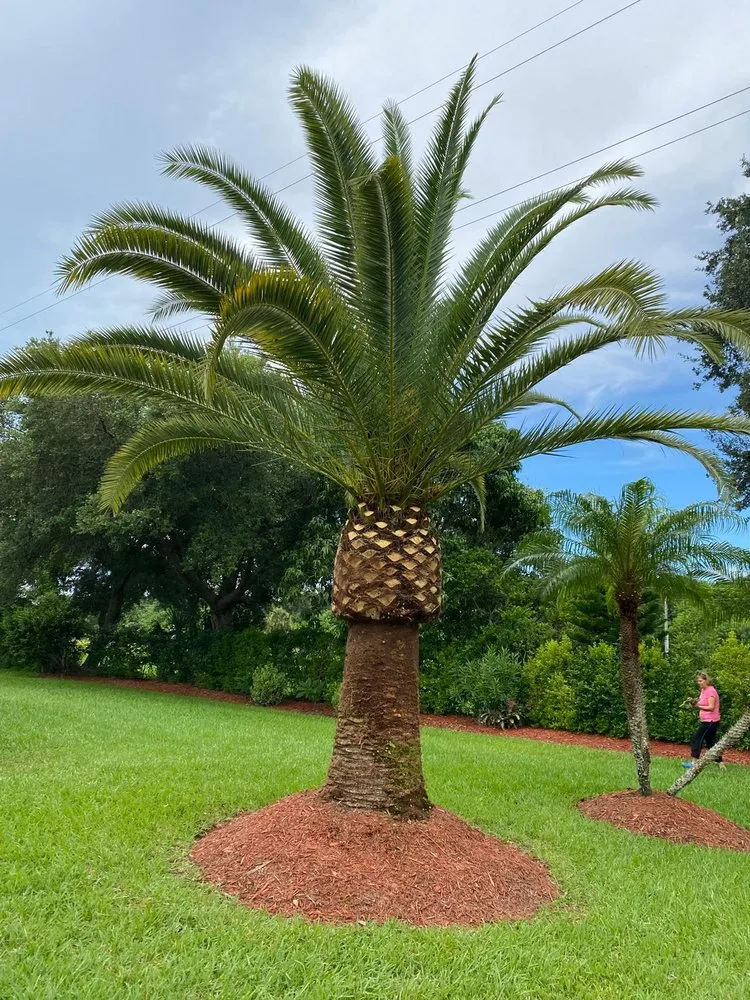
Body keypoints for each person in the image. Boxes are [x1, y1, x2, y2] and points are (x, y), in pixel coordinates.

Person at [681, 672, 726, 769]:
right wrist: (693, 701)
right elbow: (702, 702)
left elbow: (711, 707)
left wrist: (697, 706)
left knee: (698, 738)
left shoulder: (711, 691)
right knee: (710, 743)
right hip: (706, 720)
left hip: (710, 721)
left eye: (700, 681)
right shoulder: (703, 690)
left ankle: (694, 763)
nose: (699, 683)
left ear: (706, 680)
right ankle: (721, 764)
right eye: (697, 681)